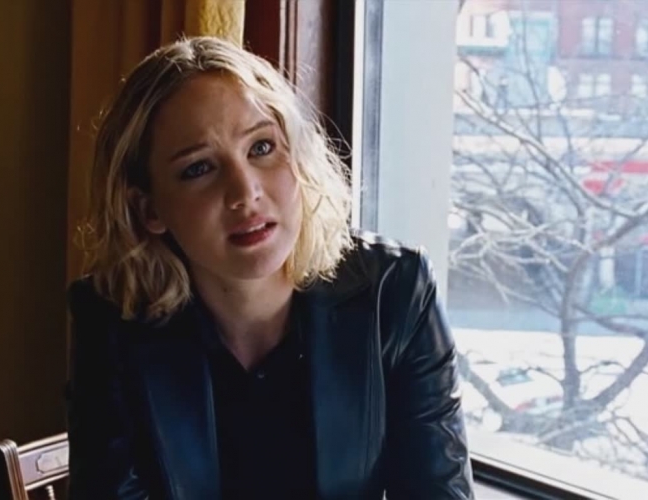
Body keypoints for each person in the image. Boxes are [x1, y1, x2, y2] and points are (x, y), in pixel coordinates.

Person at [66, 36, 473, 500]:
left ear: (297, 155)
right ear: (149, 209)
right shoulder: (111, 316)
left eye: (261, 147)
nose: (245, 193)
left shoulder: (395, 293)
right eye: (199, 168)